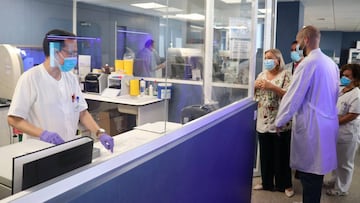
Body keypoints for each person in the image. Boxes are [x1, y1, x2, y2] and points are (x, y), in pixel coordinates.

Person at [7, 29, 114, 152]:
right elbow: (14, 119)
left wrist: (99, 132)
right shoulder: (31, 78)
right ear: (55, 52)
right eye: (71, 53)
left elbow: (82, 112)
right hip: (39, 151)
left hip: (67, 147)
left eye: (75, 53)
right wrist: (43, 134)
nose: (74, 58)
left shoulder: (70, 78)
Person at [275, 25, 339, 203]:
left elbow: (293, 96)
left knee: (310, 175)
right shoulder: (331, 64)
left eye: (299, 42)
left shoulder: (308, 64)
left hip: (312, 126)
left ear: (306, 40)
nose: (298, 47)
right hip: (326, 123)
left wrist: (280, 120)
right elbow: (335, 95)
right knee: (316, 174)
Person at [253, 48, 294, 197]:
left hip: (280, 121)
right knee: (266, 154)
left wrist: (273, 87)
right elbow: (255, 96)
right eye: (265, 58)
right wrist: (254, 87)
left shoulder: (286, 75)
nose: (267, 61)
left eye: (270, 58)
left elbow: (290, 96)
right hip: (263, 120)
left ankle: (285, 185)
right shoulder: (262, 75)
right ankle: (267, 182)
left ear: (278, 60)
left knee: (282, 155)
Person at [325, 64, 360, 196]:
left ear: (355, 78)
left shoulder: (356, 94)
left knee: (345, 162)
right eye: (343, 75)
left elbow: (353, 114)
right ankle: (334, 180)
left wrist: (334, 122)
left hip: (347, 133)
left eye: (347, 76)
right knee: (336, 159)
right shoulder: (341, 90)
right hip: (336, 132)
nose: (344, 78)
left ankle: (341, 189)